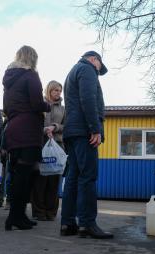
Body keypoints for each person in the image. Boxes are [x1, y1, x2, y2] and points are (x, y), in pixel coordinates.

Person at [61, 51, 113, 239]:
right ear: (94, 59)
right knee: (88, 177)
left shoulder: (72, 72)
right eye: (99, 66)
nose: (98, 71)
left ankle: (67, 223)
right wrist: (95, 128)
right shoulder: (87, 69)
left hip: (72, 132)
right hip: (84, 132)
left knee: (73, 178)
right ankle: (87, 223)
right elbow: (88, 99)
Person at [3, 45, 51, 230]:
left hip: (13, 128)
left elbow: (7, 106)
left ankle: (18, 215)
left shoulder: (9, 79)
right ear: (33, 58)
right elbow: (37, 103)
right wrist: (48, 105)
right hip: (28, 129)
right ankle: (15, 217)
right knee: (26, 175)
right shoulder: (31, 75)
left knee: (17, 175)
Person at [31, 80, 65, 221]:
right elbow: (32, 123)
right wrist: (44, 130)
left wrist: (55, 127)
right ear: (49, 91)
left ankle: (51, 212)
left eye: (59, 90)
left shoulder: (62, 109)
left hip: (57, 147)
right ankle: (39, 212)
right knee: (40, 181)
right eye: (55, 90)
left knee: (54, 181)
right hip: (41, 145)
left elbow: (66, 126)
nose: (58, 93)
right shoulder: (40, 105)